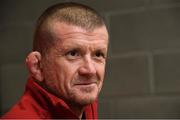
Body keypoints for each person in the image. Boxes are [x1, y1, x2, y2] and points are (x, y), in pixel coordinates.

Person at [2, 2, 109, 119]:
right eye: (73, 54)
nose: (90, 70)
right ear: (37, 66)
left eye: (98, 54)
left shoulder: (81, 102)